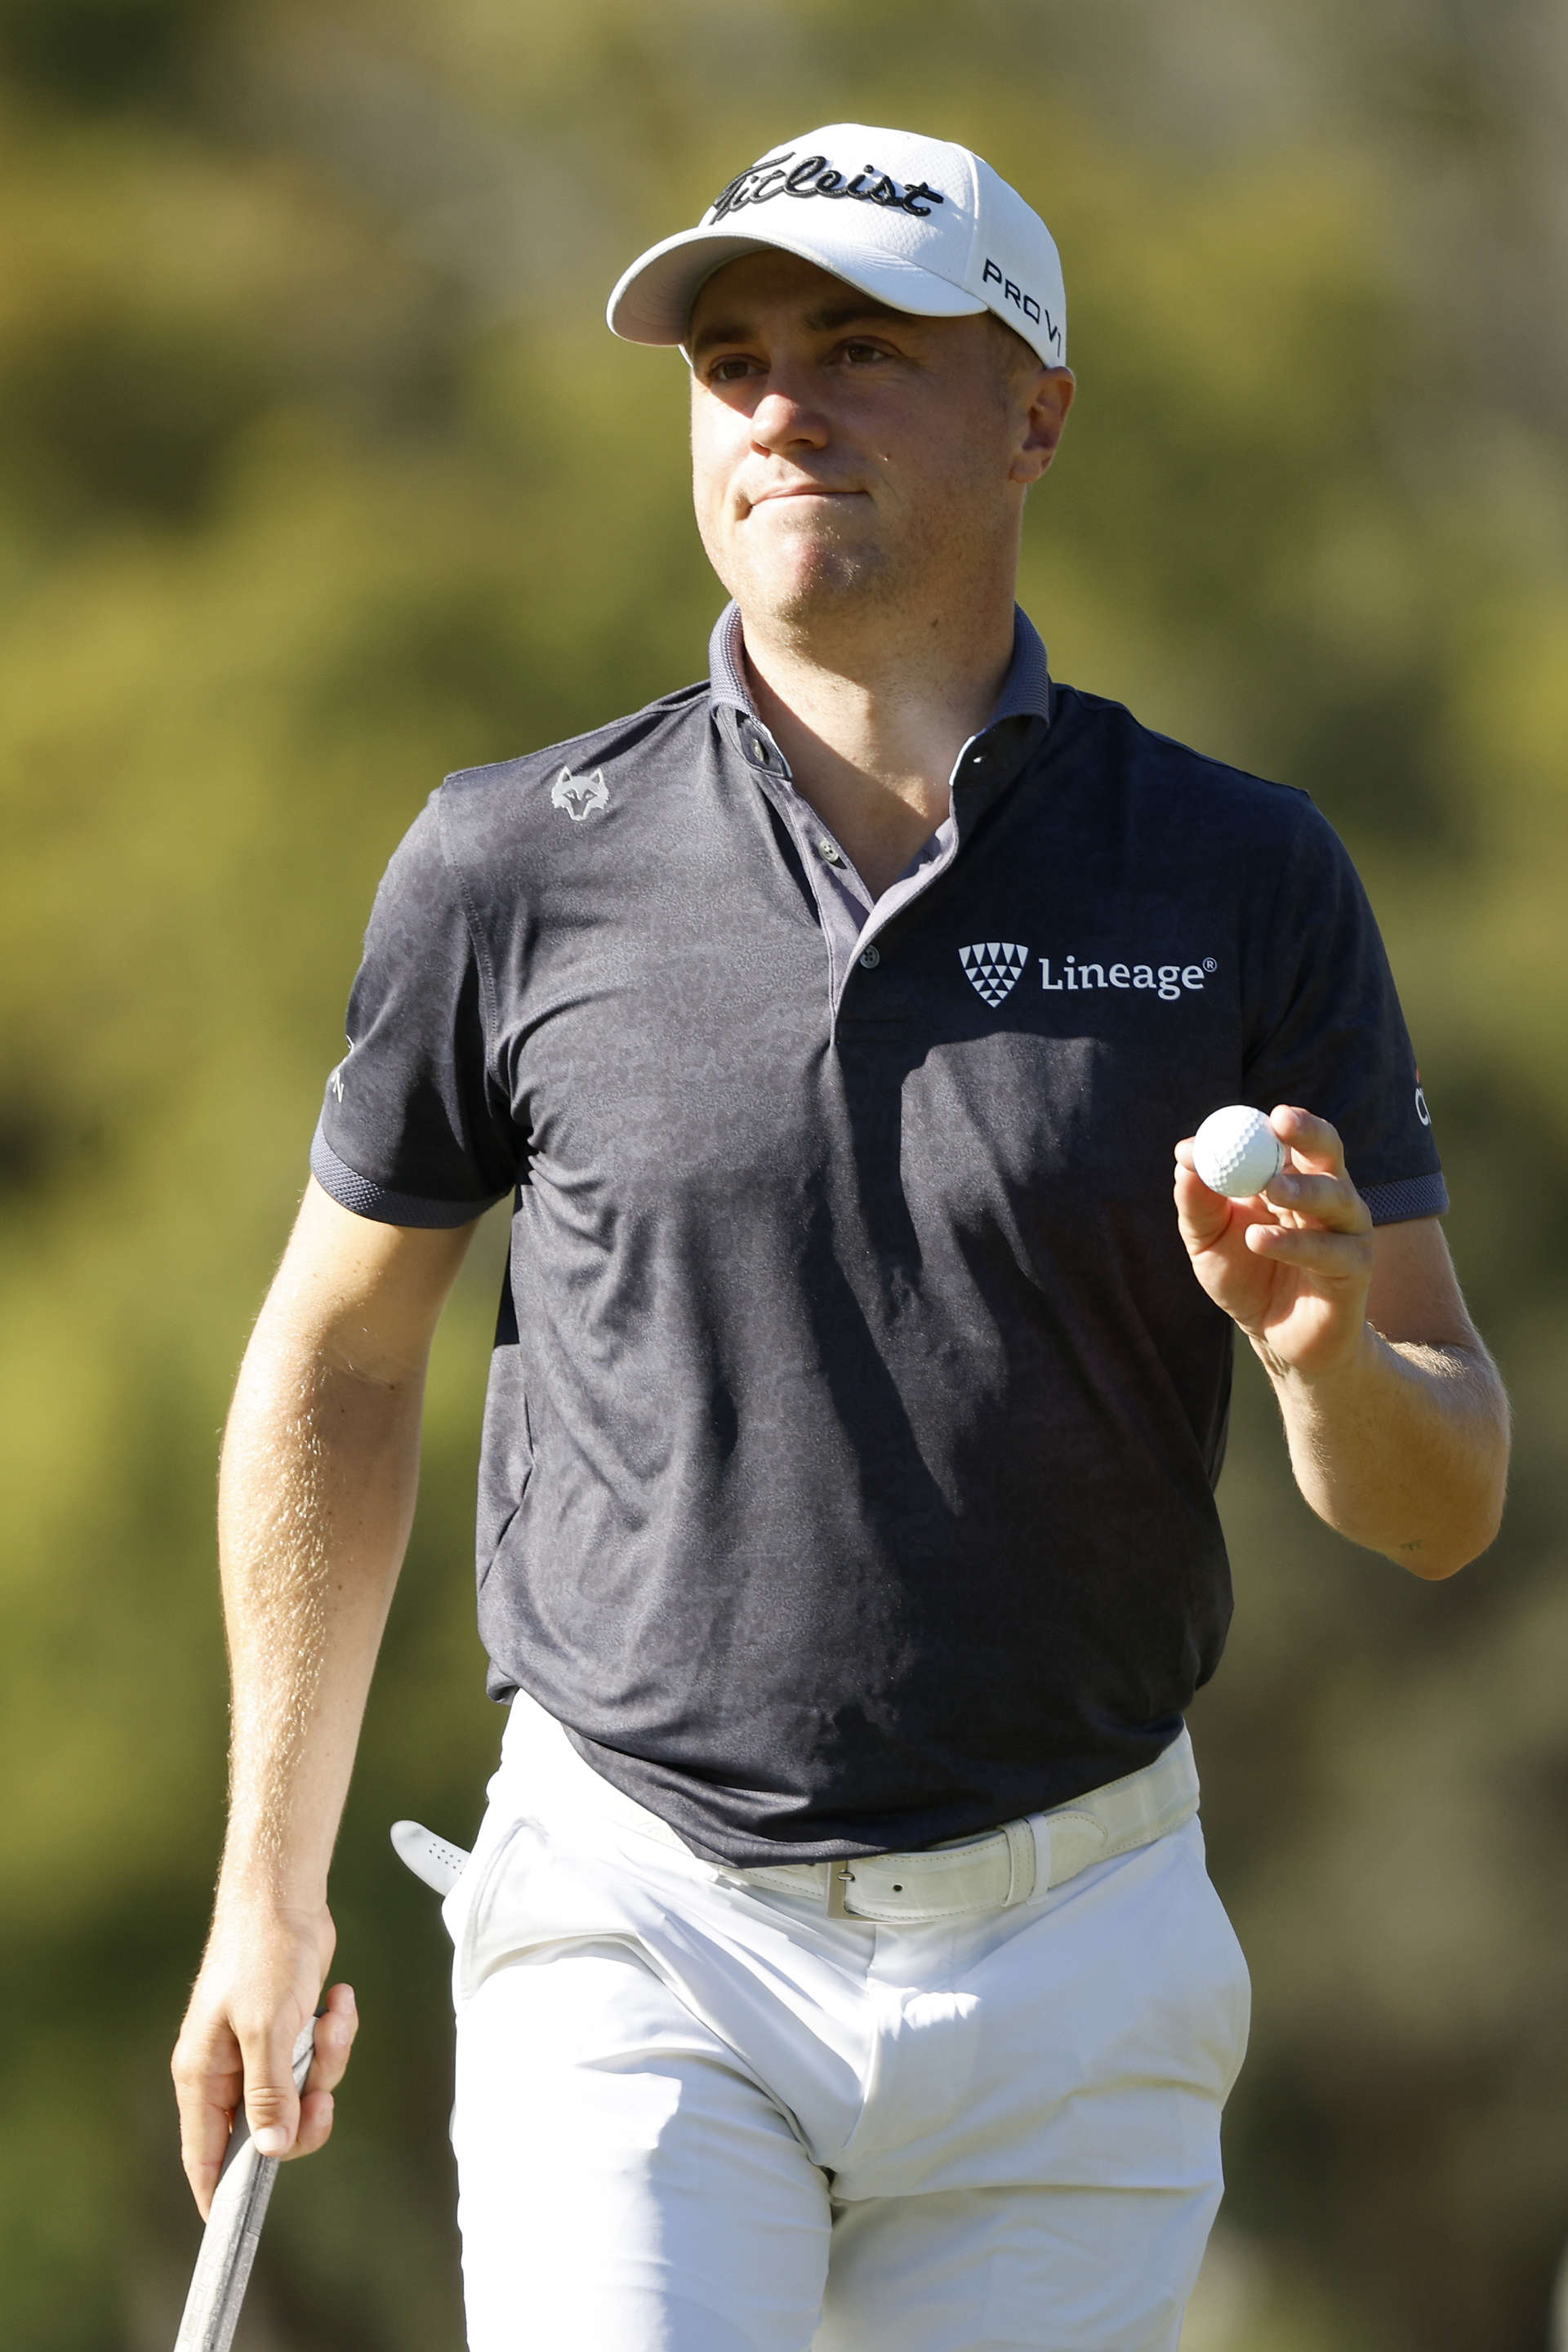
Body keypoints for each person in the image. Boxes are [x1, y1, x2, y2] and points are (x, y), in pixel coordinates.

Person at [172, 122, 1510, 2350]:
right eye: (731, 361)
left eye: (860, 347)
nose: (781, 405)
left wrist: (1322, 1361)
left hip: (1080, 1958)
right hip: (639, 1924)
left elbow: (1446, 1494)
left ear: (1035, 413)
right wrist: (266, 1885)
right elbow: (335, 1360)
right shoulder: (516, 863)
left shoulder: (1239, 876)